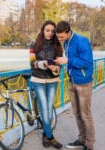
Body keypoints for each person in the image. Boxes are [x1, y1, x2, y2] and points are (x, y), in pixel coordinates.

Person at [55, 20, 95, 150]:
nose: (60, 39)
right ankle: (81, 140)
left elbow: (87, 62)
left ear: (68, 32)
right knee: (77, 113)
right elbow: (70, 61)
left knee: (85, 115)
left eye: (61, 36)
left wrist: (68, 60)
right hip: (72, 81)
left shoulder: (81, 41)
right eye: (58, 36)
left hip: (83, 83)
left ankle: (89, 145)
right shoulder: (66, 42)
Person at [29, 20, 63, 149]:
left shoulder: (57, 45)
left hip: (52, 81)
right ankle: (51, 137)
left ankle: (44, 135)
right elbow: (32, 63)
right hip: (38, 80)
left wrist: (56, 68)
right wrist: (44, 64)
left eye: (52, 31)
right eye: (47, 30)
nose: (50, 33)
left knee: (49, 109)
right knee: (44, 108)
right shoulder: (34, 44)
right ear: (43, 30)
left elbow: (58, 63)